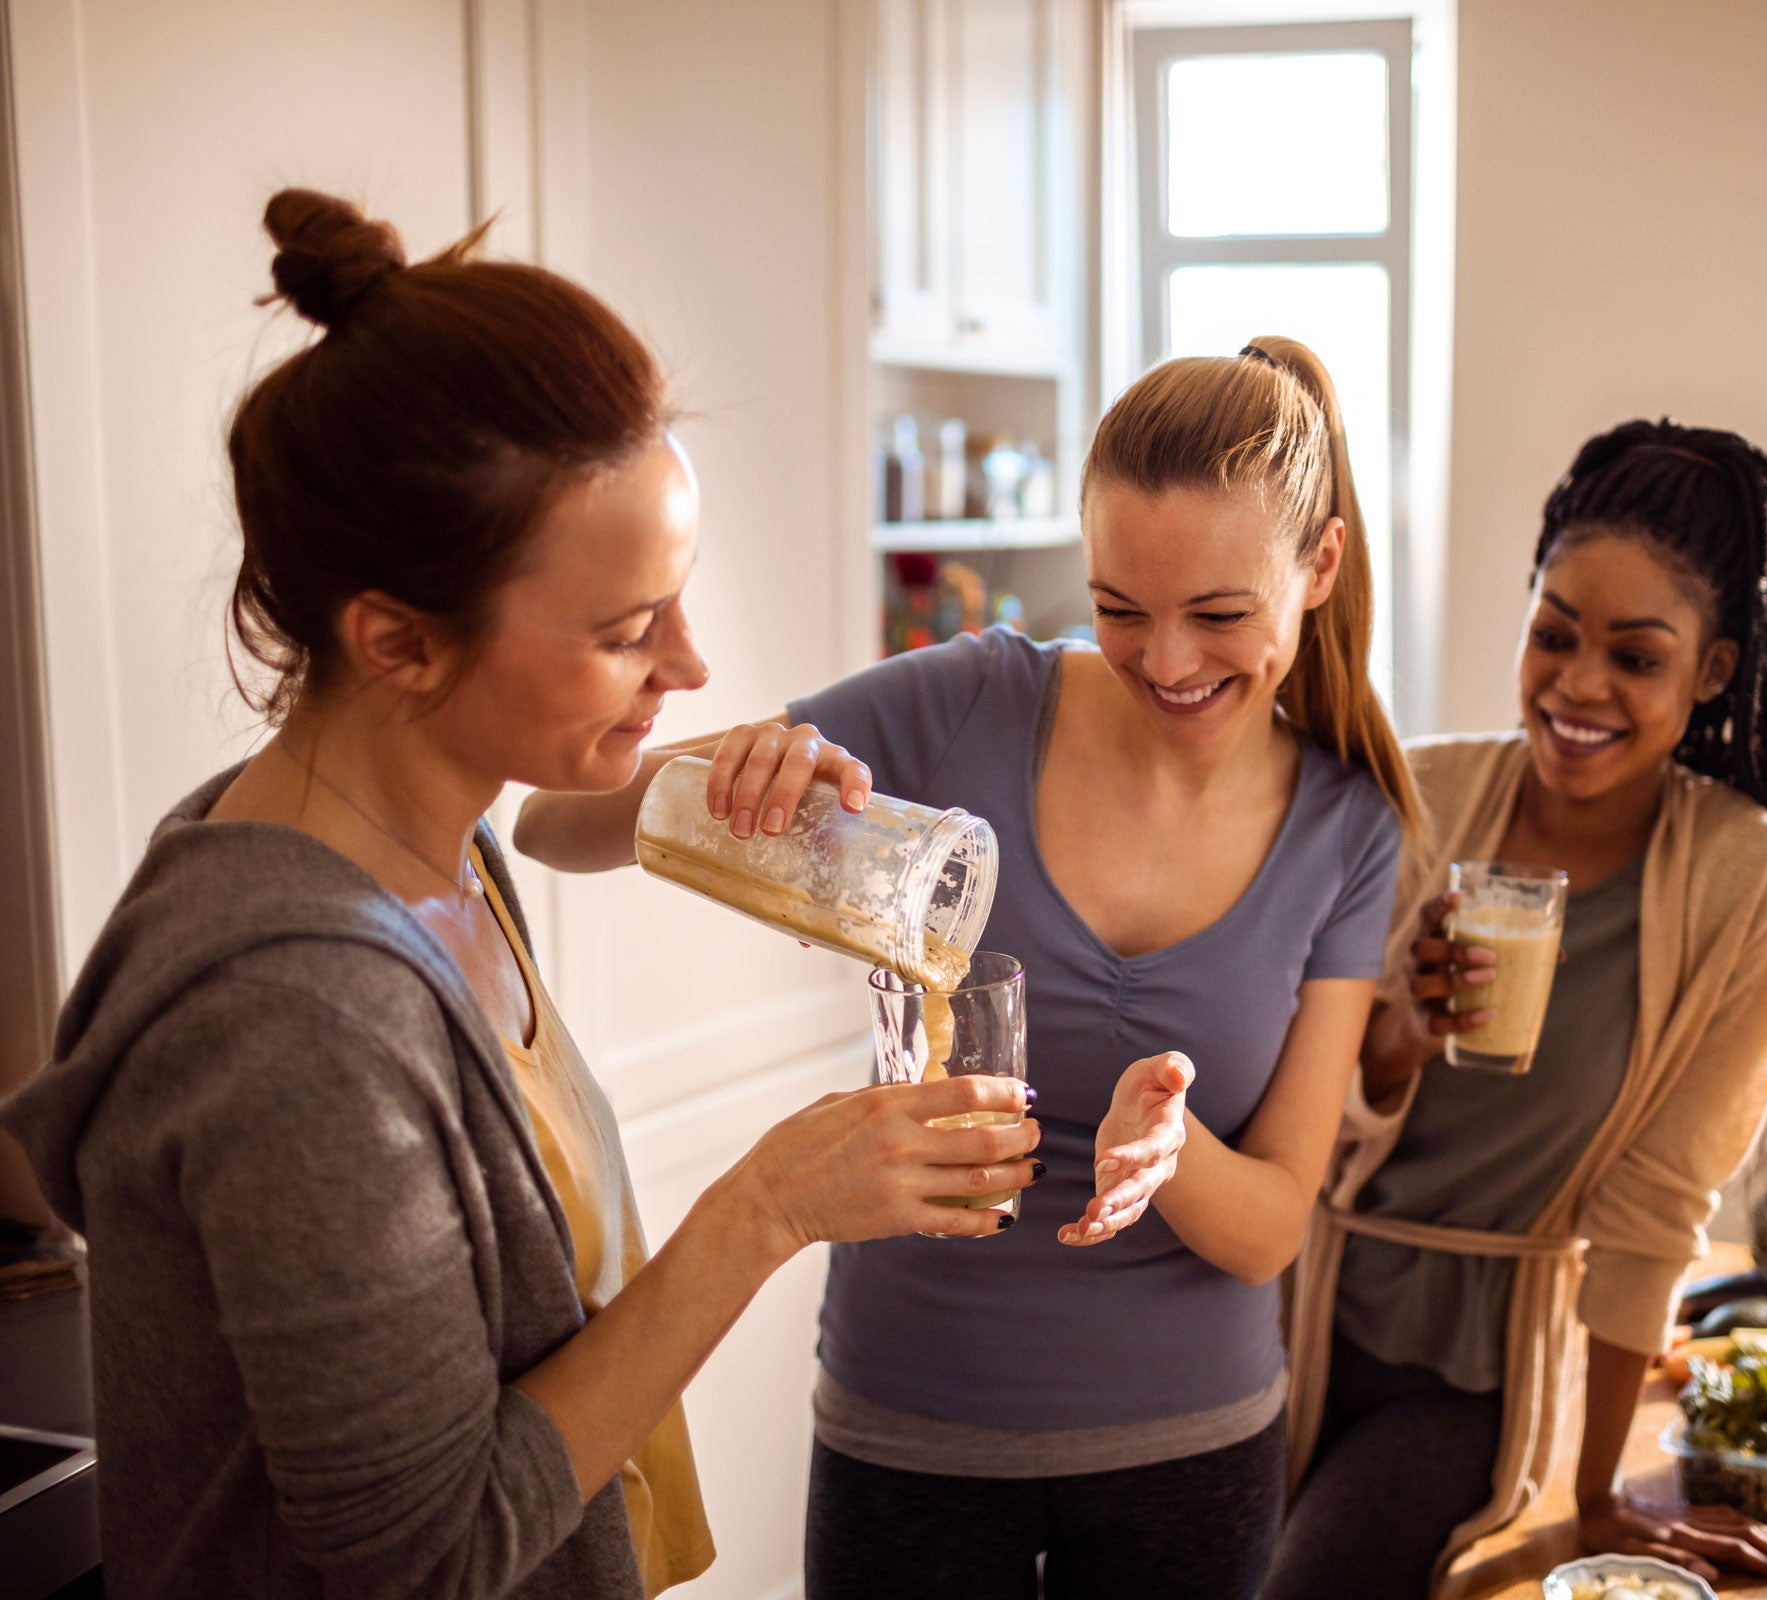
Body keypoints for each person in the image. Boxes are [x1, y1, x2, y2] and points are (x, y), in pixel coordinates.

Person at [0, 192, 1042, 1600]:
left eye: (672, 601)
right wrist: (769, 1208)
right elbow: (424, 1557)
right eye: (626, 634)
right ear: (398, 640)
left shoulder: (435, 842)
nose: (689, 662)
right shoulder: (293, 1025)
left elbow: (565, 823)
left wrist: (718, 782)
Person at [514, 338, 1412, 1599]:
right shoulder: (968, 702)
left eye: (1217, 615)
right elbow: (552, 825)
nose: (1164, 662)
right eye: (1115, 609)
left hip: (1189, 1449)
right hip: (912, 1434)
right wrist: (733, 777)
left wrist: (1168, 1149)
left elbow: (1270, 1226)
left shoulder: (1349, 827)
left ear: (1316, 566)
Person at [1265, 420, 1767, 1600]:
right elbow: (1290, 1093)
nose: (1579, 685)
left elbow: (1657, 1205)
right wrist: (1405, 1030)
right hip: (1279, 1316)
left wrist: (1597, 1498)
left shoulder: (1754, 882)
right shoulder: (1414, 793)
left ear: (1712, 672)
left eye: (1636, 657)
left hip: (1472, 1377)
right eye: (1553, 634)